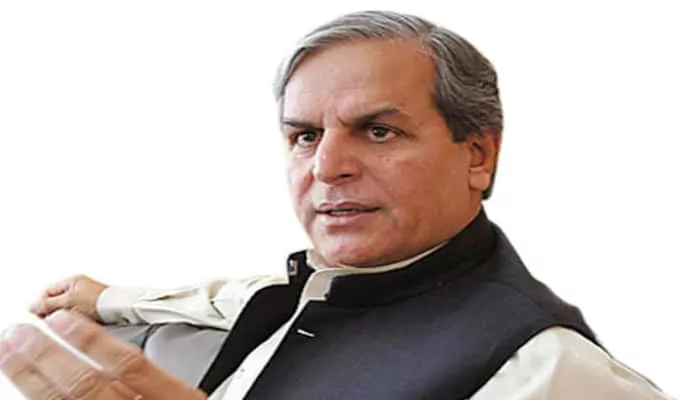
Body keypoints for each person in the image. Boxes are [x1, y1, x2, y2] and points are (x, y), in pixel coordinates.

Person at [1, 10, 674, 400]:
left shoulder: (546, 369)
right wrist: (107, 298)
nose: (326, 167)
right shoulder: (313, 288)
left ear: (478, 154)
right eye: (304, 136)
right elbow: (227, 298)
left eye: (378, 132)